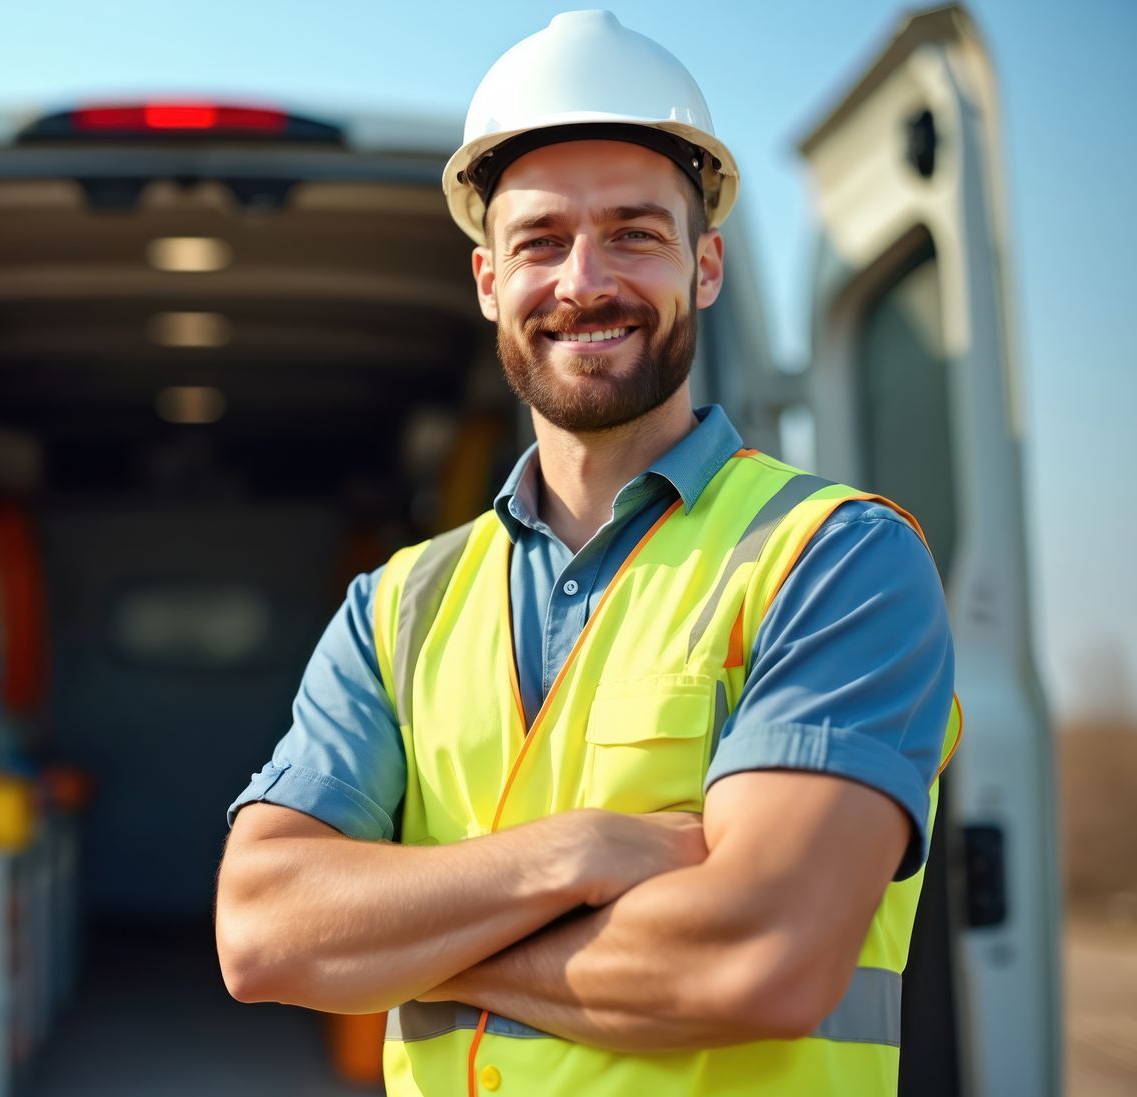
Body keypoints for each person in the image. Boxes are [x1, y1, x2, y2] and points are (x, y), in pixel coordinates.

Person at [213, 11, 960, 1096]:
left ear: (704, 266)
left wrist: (411, 946)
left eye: (634, 234)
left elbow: (763, 954)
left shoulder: (835, 563)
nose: (583, 280)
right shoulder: (399, 605)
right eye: (540, 241)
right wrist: (573, 855)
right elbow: (264, 928)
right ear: (487, 282)